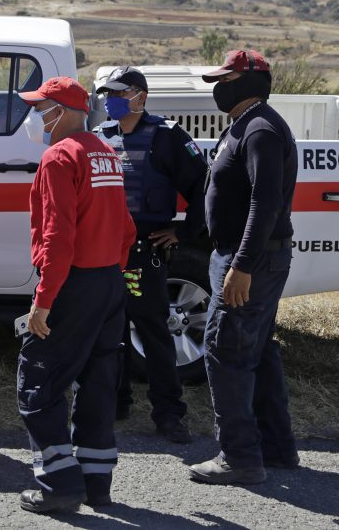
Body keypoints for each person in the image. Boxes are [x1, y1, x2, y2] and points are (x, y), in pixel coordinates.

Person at [15, 77, 136, 514]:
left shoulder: (58, 157)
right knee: (98, 381)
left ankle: (59, 485)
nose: (34, 116)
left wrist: (43, 300)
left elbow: (57, 236)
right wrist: (111, 276)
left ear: (62, 111)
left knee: (39, 381)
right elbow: (126, 229)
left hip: (73, 284)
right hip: (107, 282)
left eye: (40, 107)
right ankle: (95, 482)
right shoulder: (106, 153)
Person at [189, 49, 299, 485]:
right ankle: (275, 448)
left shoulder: (261, 130)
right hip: (240, 255)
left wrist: (242, 265)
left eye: (225, 79)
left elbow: (264, 202)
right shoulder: (245, 125)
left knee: (226, 352)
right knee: (258, 350)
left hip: (249, 258)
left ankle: (240, 457)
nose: (218, 87)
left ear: (247, 82)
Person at [94, 66, 208, 443]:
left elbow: (204, 190)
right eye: (106, 93)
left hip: (145, 250)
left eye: (119, 92)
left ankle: (169, 413)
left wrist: (183, 232)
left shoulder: (168, 137)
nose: (110, 99)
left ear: (141, 96)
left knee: (153, 331)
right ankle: (116, 402)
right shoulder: (99, 137)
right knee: (108, 330)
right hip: (107, 249)